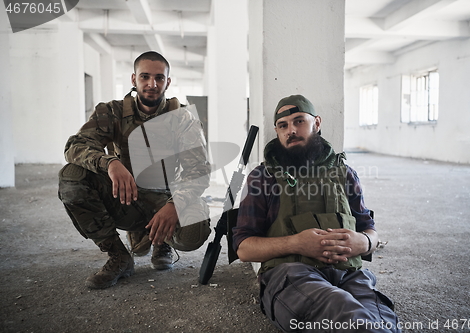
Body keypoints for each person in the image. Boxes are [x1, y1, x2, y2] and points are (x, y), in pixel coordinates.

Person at [233, 95, 400, 332]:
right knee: (345, 314)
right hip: (290, 274)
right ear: (277, 132)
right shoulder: (262, 177)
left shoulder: (345, 174)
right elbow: (244, 248)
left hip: (349, 274)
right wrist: (296, 244)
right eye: (283, 126)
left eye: (299, 121)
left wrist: (362, 242)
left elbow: (369, 229)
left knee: (385, 323)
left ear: (317, 123)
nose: (291, 130)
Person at [58, 51, 211, 289]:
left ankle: (161, 240)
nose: (152, 84)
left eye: (159, 78)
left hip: (164, 198)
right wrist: (110, 163)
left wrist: (175, 205)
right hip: (126, 196)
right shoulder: (111, 112)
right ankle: (119, 255)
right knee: (71, 176)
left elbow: (199, 171)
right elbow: (75, 146)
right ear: (133, 79)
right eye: (145, 77)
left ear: (168, 82)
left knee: (194, 231)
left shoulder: (183, 119)